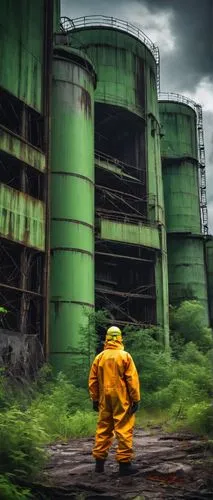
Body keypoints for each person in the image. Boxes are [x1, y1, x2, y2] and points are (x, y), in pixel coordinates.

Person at [88, 325, 140, 476]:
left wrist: (95, 399)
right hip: (121, 397)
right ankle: (124, 465)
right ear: (120, 338)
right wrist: (135, 399)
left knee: (103, 428)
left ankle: (99, 465)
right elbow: (132, 380)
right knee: (123, 429)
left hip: (104, 397)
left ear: (107, 338)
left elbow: (93, 381)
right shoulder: (125, 356)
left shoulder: (100, 357)